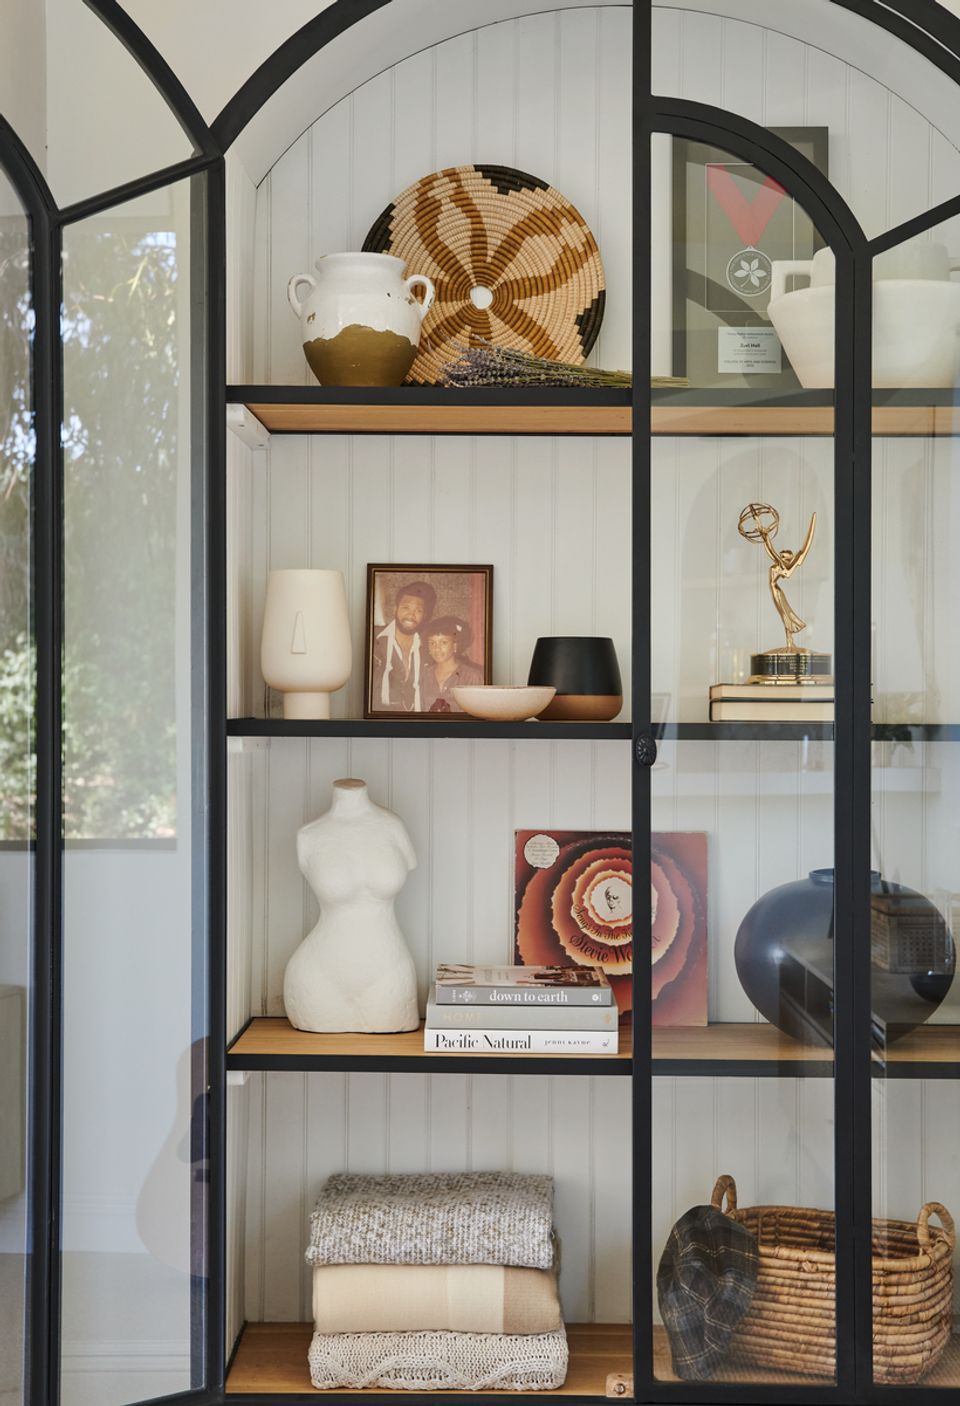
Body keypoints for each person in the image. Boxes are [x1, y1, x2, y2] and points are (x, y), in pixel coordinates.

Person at [370, 580, 436, 711]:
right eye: (406, 608)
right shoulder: (374, 639)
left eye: (418, 610)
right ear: (396, 609)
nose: (411, 615)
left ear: (424, 615)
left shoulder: (428, 648)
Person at [420, 615, 484, 712]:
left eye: (443, 642)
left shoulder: (472, 677)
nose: (437, 648)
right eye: (432, 643)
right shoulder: (424, 674)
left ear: (455, 645)